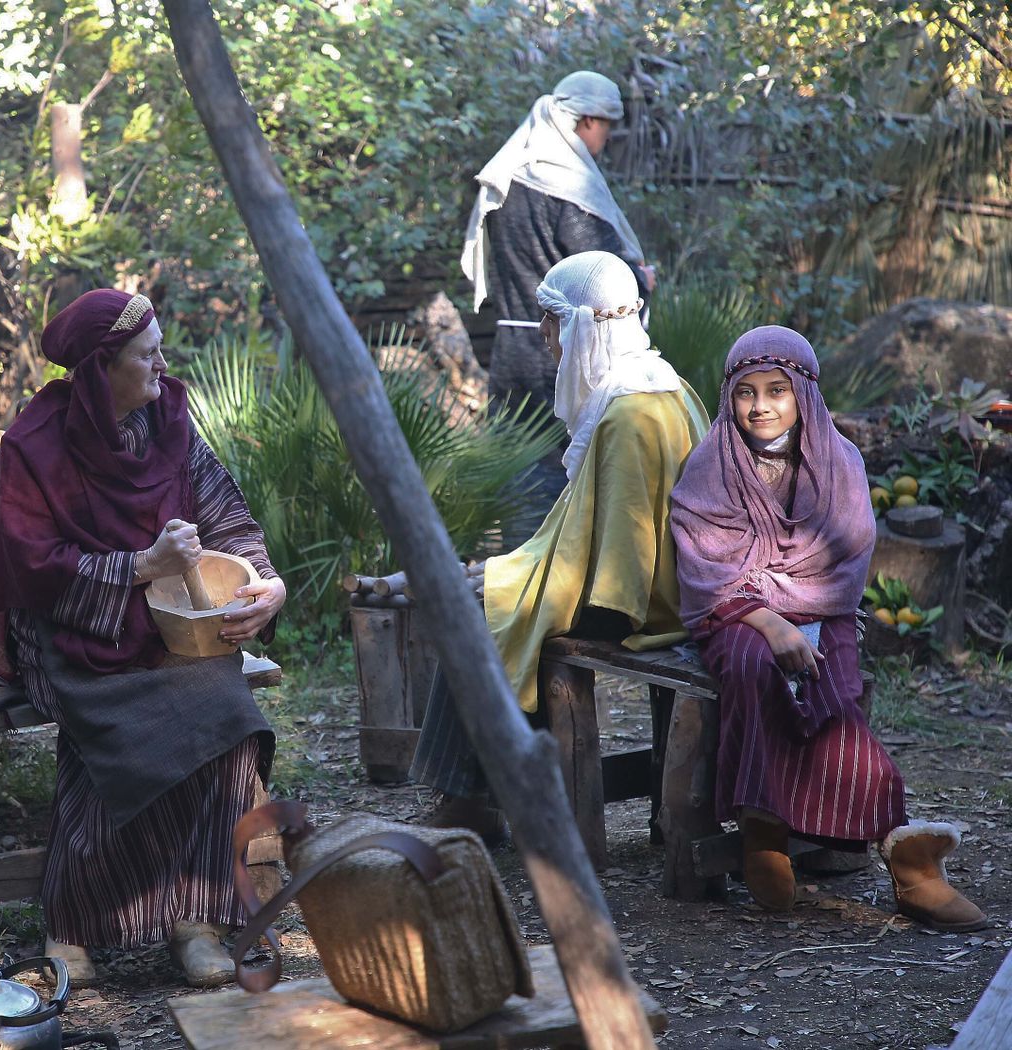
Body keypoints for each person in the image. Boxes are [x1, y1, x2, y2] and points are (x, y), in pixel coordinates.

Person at [0, 288, 288, 987]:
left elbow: (224, 514)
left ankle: (196, 920)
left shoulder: (168, 418)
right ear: (98, 370)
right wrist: (140, 567)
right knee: (112, 721)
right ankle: (74, 927)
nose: (163, 366)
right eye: (147, 355)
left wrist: (267, 582)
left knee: (227, 715)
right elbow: (33, 574)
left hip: (166, 629)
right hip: (66, 632)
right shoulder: (33, 447)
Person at [669, 326, 987, 930]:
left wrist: (798, 616)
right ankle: (763, 827)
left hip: (822, 607)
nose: (759, 406)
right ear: (728, 397)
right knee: (748, 664)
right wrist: (769, 621)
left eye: (776, 391)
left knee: (832, 692)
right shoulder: (711, 464)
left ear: (805, 396)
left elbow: (844, 562)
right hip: (731, 610)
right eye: (745, 393)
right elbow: (705, 569)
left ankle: (904, 858)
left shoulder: (839, 462)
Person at [409, 251, 708, 834]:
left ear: (583, 327)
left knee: (482, 610)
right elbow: (595, 527)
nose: (545, 334)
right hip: (666, 584)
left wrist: (512, 584)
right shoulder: (662, 383)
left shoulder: (629, 414)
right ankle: (505, 791)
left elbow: (621, 567)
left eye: (554, 319)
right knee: (496, 591)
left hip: (645, 602)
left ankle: (475, 798)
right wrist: (513, 571)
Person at [460, 70, 657, 540]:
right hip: (565, 352)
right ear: (586, 120)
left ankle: (518, 586)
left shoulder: (513, 174)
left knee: (519, 477)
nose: (605, 139)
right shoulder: (569, 189)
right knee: (567, 481)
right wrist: (642, 278)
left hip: (511, 349)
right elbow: (601, 278)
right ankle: (562, 604)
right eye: (605, 127)